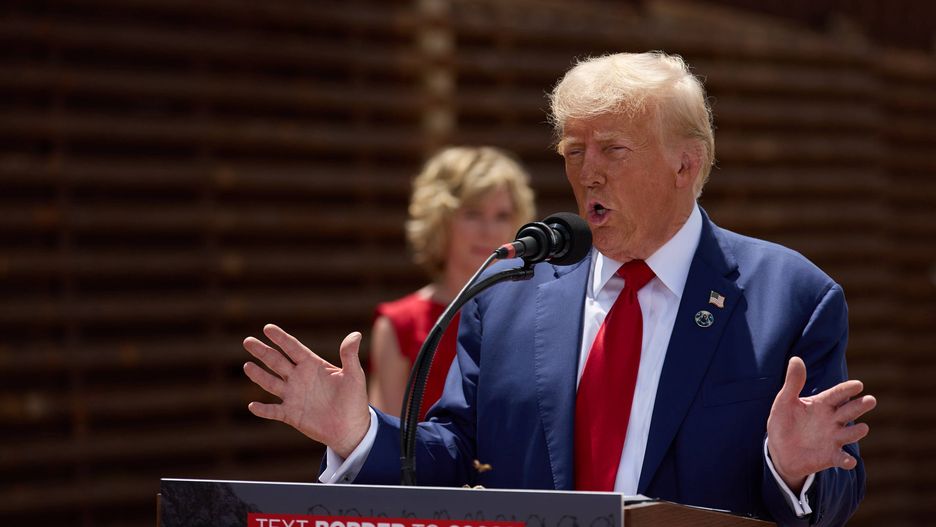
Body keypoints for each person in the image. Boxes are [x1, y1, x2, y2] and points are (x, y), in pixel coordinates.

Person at [242, 52, 876, 526]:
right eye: (573, 151)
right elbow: (453, 457)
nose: (587, 172)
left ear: (688, 163)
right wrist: (359, 435)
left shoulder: (791, 297)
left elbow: (832, 502)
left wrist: (793, 469)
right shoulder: (507, 295)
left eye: (613, 149)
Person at [367, 146, 535, 419]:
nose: (488, 230)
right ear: (440, 220)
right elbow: (386, 440)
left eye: (501, 216)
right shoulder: (398, 324)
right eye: (472, 214)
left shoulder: (531, 314)